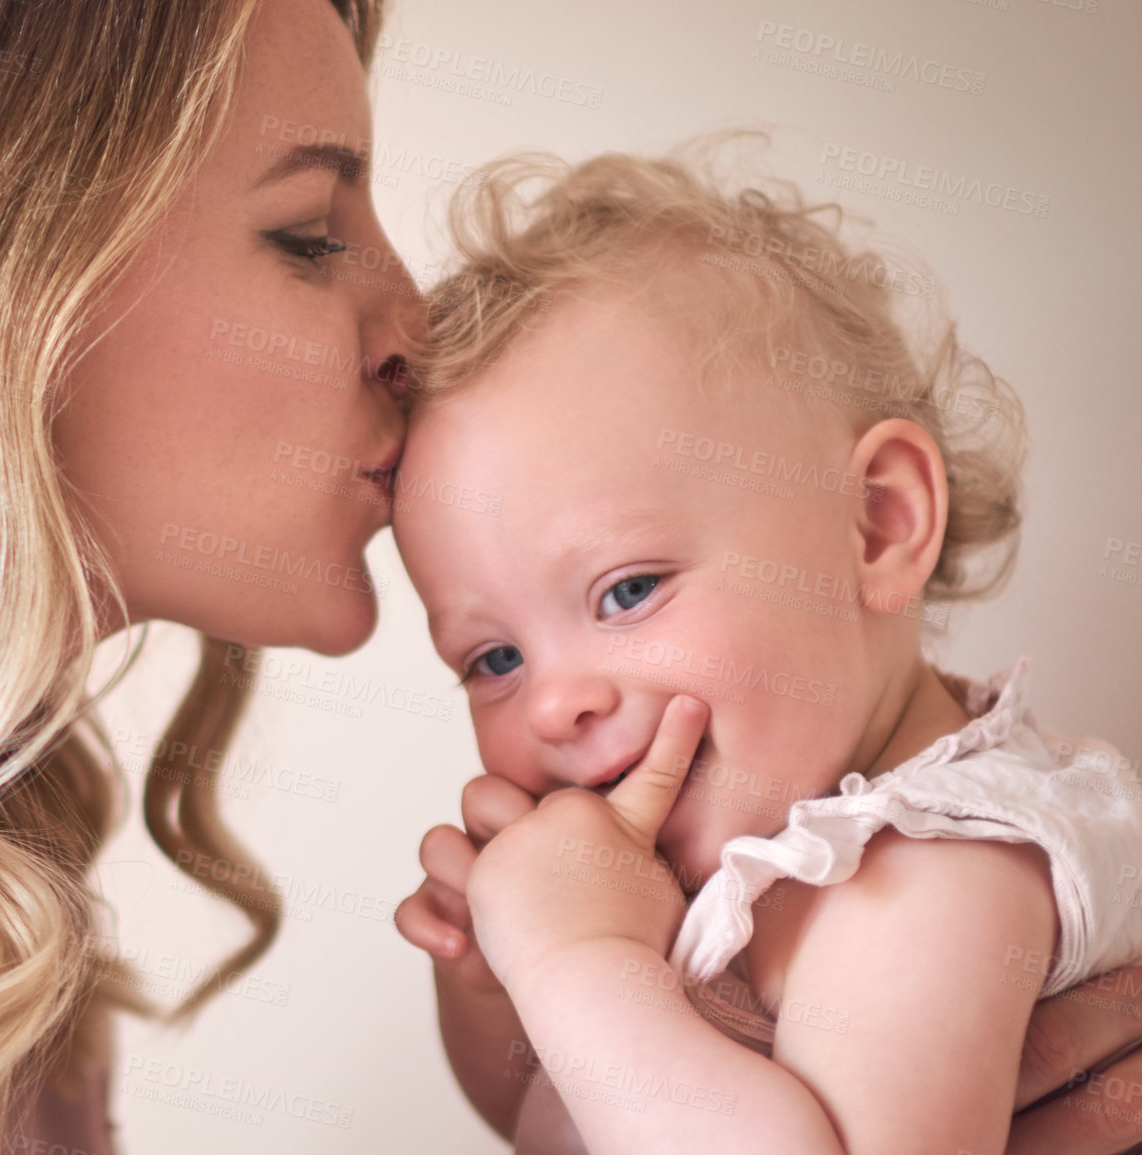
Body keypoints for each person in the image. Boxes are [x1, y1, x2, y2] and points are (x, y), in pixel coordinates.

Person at [0, 0, 1137, 1151]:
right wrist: (545, 982)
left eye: (621, 591)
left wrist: (583, 979)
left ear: (882, 524)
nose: (411, 326)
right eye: (310, 233)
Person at [389, 146, 1142, 1153]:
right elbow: (553, 1123)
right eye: (493, 660)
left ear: (874, 524)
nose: (550, 705)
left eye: (627, 590)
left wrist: (575, 956)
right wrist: (498, 971)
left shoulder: (927, 876)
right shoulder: (750, 845)